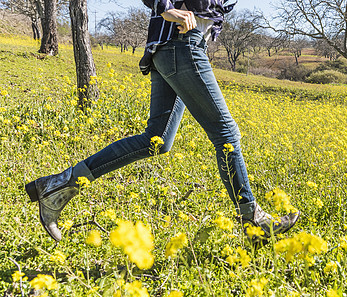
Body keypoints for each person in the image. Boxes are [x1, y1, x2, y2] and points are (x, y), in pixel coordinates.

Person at [25, 0, 298, 245]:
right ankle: (254, 222)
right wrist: (166, 6)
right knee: (226, 133)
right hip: (181, 45)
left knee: (157, 140)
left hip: (174, 48)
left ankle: (57, 185)